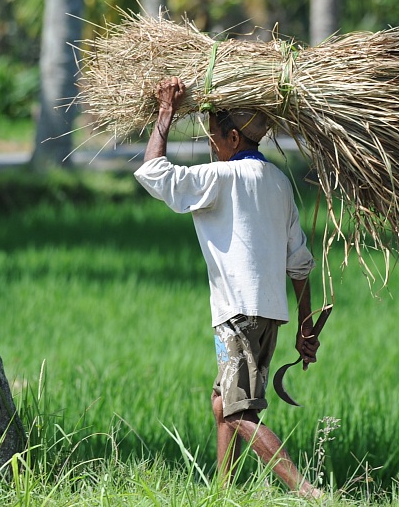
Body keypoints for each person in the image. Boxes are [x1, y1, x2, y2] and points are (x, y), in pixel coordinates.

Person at [134, 76, 324, 498]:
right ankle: (223, 494)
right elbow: (299, 262)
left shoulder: (221, 177)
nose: (211, 144)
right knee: (224, 401)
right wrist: (305, 326)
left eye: (214, 137)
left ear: (234, 137)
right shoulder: (278, 182)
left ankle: (308, 493)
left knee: (239, 411)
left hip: (236, 314)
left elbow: (152, 172)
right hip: (269, 314)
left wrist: (165, 113)